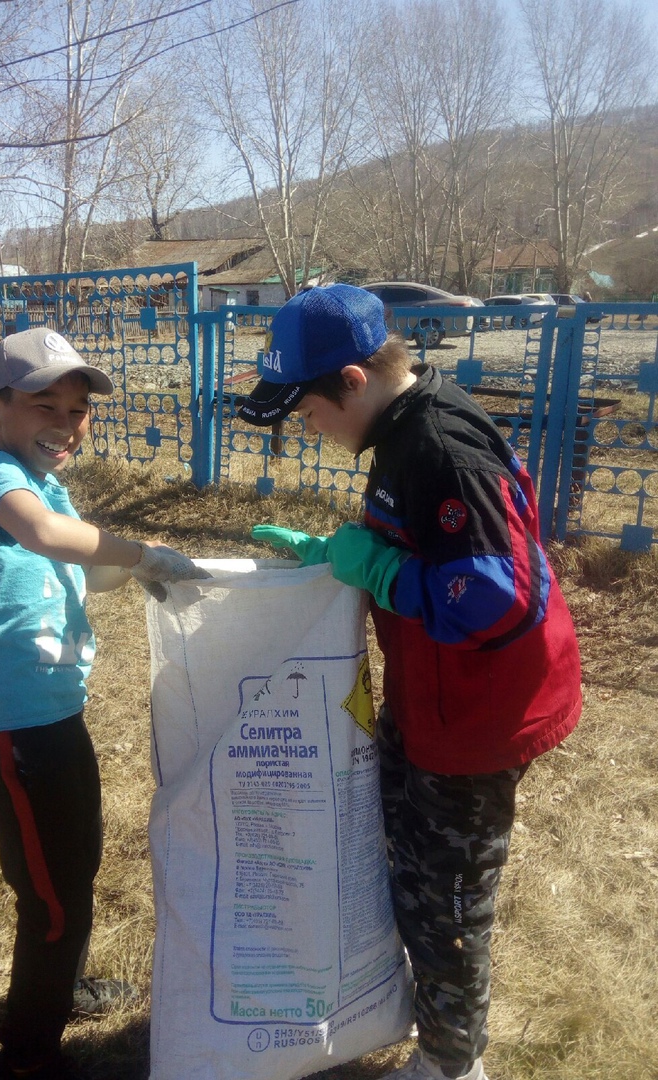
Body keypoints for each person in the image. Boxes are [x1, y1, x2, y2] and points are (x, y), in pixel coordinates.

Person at [238, 285, 582, 1080]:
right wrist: (338, 555)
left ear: (353, 381)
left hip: (478, 719)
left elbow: (499, 599)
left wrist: (382, 572)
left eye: (308, 409)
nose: (308, 426)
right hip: (432, 700)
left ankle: (453, 1065)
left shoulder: (441, 450)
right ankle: (418, 1003)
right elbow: (422, 542)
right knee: (409, 869)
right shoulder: (399, 431)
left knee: (450, 904)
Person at [0, 327, 207, 1080]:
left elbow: (82, 566)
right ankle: (28, 1056)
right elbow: (47, 536)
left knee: (74, 867)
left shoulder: (48, 486)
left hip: (56, 717)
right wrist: (141, 552)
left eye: (77, 410)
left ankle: (57, 991)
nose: (65, 424)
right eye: (45, 407)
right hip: (11, 729)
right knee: (52, 895)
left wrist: (134, 574)